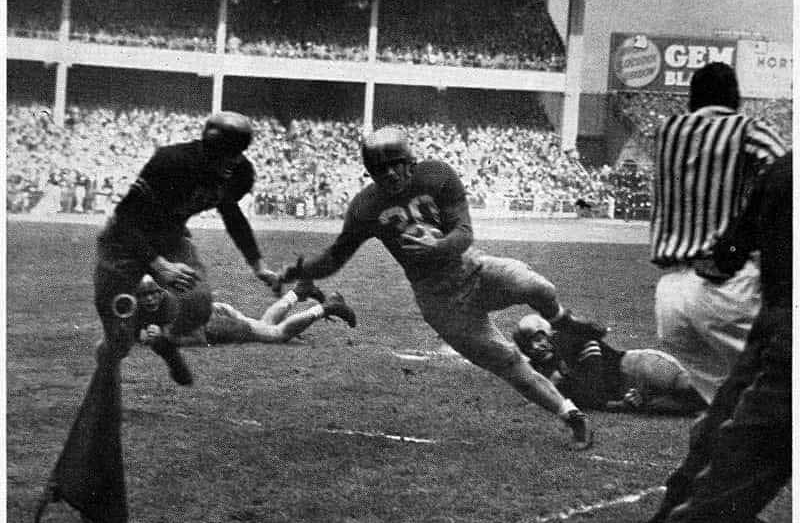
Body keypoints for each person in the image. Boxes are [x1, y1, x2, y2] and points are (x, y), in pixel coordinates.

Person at [275, 126, 607, 450]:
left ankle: (562, 320)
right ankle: (571, 415)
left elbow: (464, 233)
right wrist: (299, 270)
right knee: (506, 361)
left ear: (410, 161)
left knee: (536, 285)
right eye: (380, 169)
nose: (390, 174)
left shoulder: (436, 176)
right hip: (439, 301)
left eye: (395, 164)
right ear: (370, 173)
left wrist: (438, 247)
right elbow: (336, 256)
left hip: (473, 269)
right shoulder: (366, 206)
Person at [626, 151, 792, 523]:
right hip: (778, 337)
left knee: (726, 473)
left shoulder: (784, 170)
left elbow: (726, 256)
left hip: (780, 338)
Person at [94, 111, 277, 385]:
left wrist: (258, 264)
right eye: (225, 155)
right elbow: (125, 218)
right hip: (123, 242)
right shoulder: (172, 162)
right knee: (119, 341)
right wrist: (158, 265)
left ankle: (165, 343)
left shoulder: (237, 171)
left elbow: (232, 213)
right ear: (209, 149)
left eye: (236, 154)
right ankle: (119, 360)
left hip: (170, 238)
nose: (230, 164)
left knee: (199, 303)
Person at [649, 62, 785, 405]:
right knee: (777, 389)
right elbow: (786, 176)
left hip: (670, 298)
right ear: (735, 97)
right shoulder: (749, 130)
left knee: (725, 405)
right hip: (727, 283)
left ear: (693, 98)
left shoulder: (667, 131)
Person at [513, 314, 707, 414]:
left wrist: (617, 404)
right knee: (693, 405)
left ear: (549, 334)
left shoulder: (572, 343)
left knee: (697, 390)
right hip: (627, 391)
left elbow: (593, 391)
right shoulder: (545, 371)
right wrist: (622, 404)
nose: (536, 347)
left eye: (538, 339)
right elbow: (586, 399)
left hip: (638, 367)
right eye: (529, 344)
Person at [133, 274, 356, 346]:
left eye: (153, 293)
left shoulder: (169, 305)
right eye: (144, 295)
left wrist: (162, 336)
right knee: (264, 325)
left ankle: (326, 308)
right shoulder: (151, 304)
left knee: (277, 334)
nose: (150, 298)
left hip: (216, 326)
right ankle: (298, 291)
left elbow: (198, 338)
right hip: (217, 313)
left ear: (161, 292)